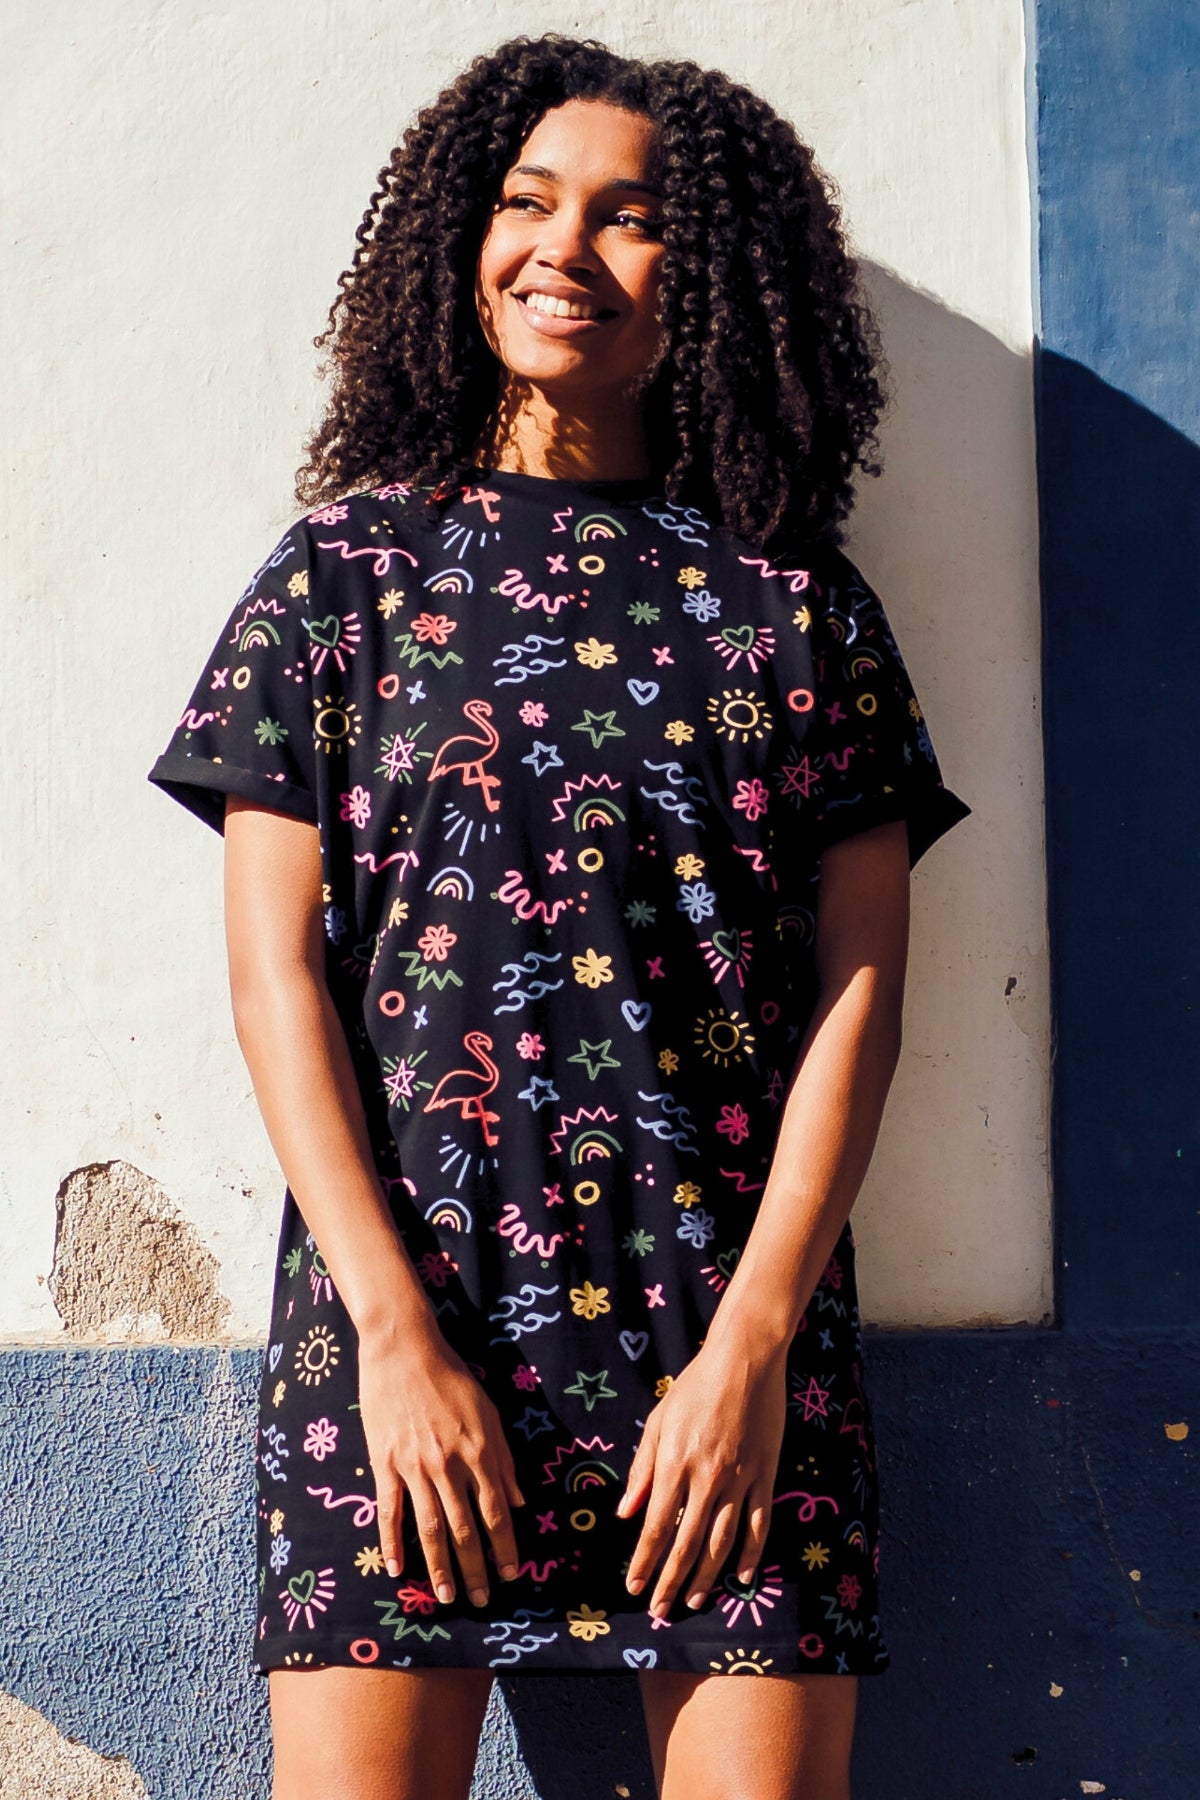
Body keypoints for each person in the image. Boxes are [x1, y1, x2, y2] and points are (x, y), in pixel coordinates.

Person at [148, 33, 969, 1800]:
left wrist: (753, 1350)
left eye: (630, 219)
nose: (563, 251)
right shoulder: (344, 577)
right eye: (526, 204)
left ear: (719, 273)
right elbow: (275, 976)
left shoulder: (795, 609)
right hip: (409, 1352)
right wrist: (387, 1337)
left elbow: (863, 1001)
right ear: (459, 238)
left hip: (729, 1359)